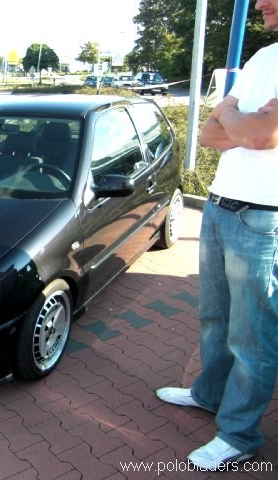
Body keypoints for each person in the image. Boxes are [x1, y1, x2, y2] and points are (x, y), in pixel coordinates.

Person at [156, 0, 278, 471]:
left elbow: (260, 136)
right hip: (221, 202)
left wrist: (232, 115)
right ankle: (209, 394)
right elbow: (209, 135)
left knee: (253, 335)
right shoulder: (262, 58)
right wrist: (241, 120)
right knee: (215, 315)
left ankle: (239, 435)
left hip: (264, 214)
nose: (260, 3)